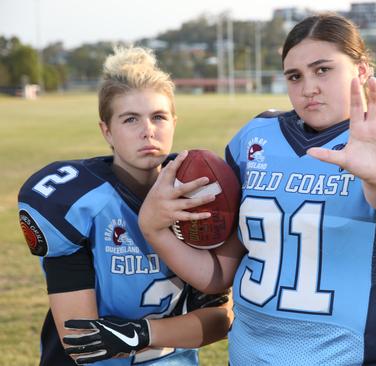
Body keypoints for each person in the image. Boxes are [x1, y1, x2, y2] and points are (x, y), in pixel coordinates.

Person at [138, 13, 376, 365]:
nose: (308, 87)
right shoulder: (257, 138)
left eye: (323, 69)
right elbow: (220, 275)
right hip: (251, 355)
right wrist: (153, 229)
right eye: (294, 76)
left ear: (360, 71)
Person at [17, 46, 232, 365]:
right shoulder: (76, 200)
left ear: (174, 122)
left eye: (158, 117)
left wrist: (139, 333)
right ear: (107, 131)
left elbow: (219, 321)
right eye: (130, 119)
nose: (148, 130)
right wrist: (165, 331)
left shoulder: (199, 192)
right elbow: (82, 340)